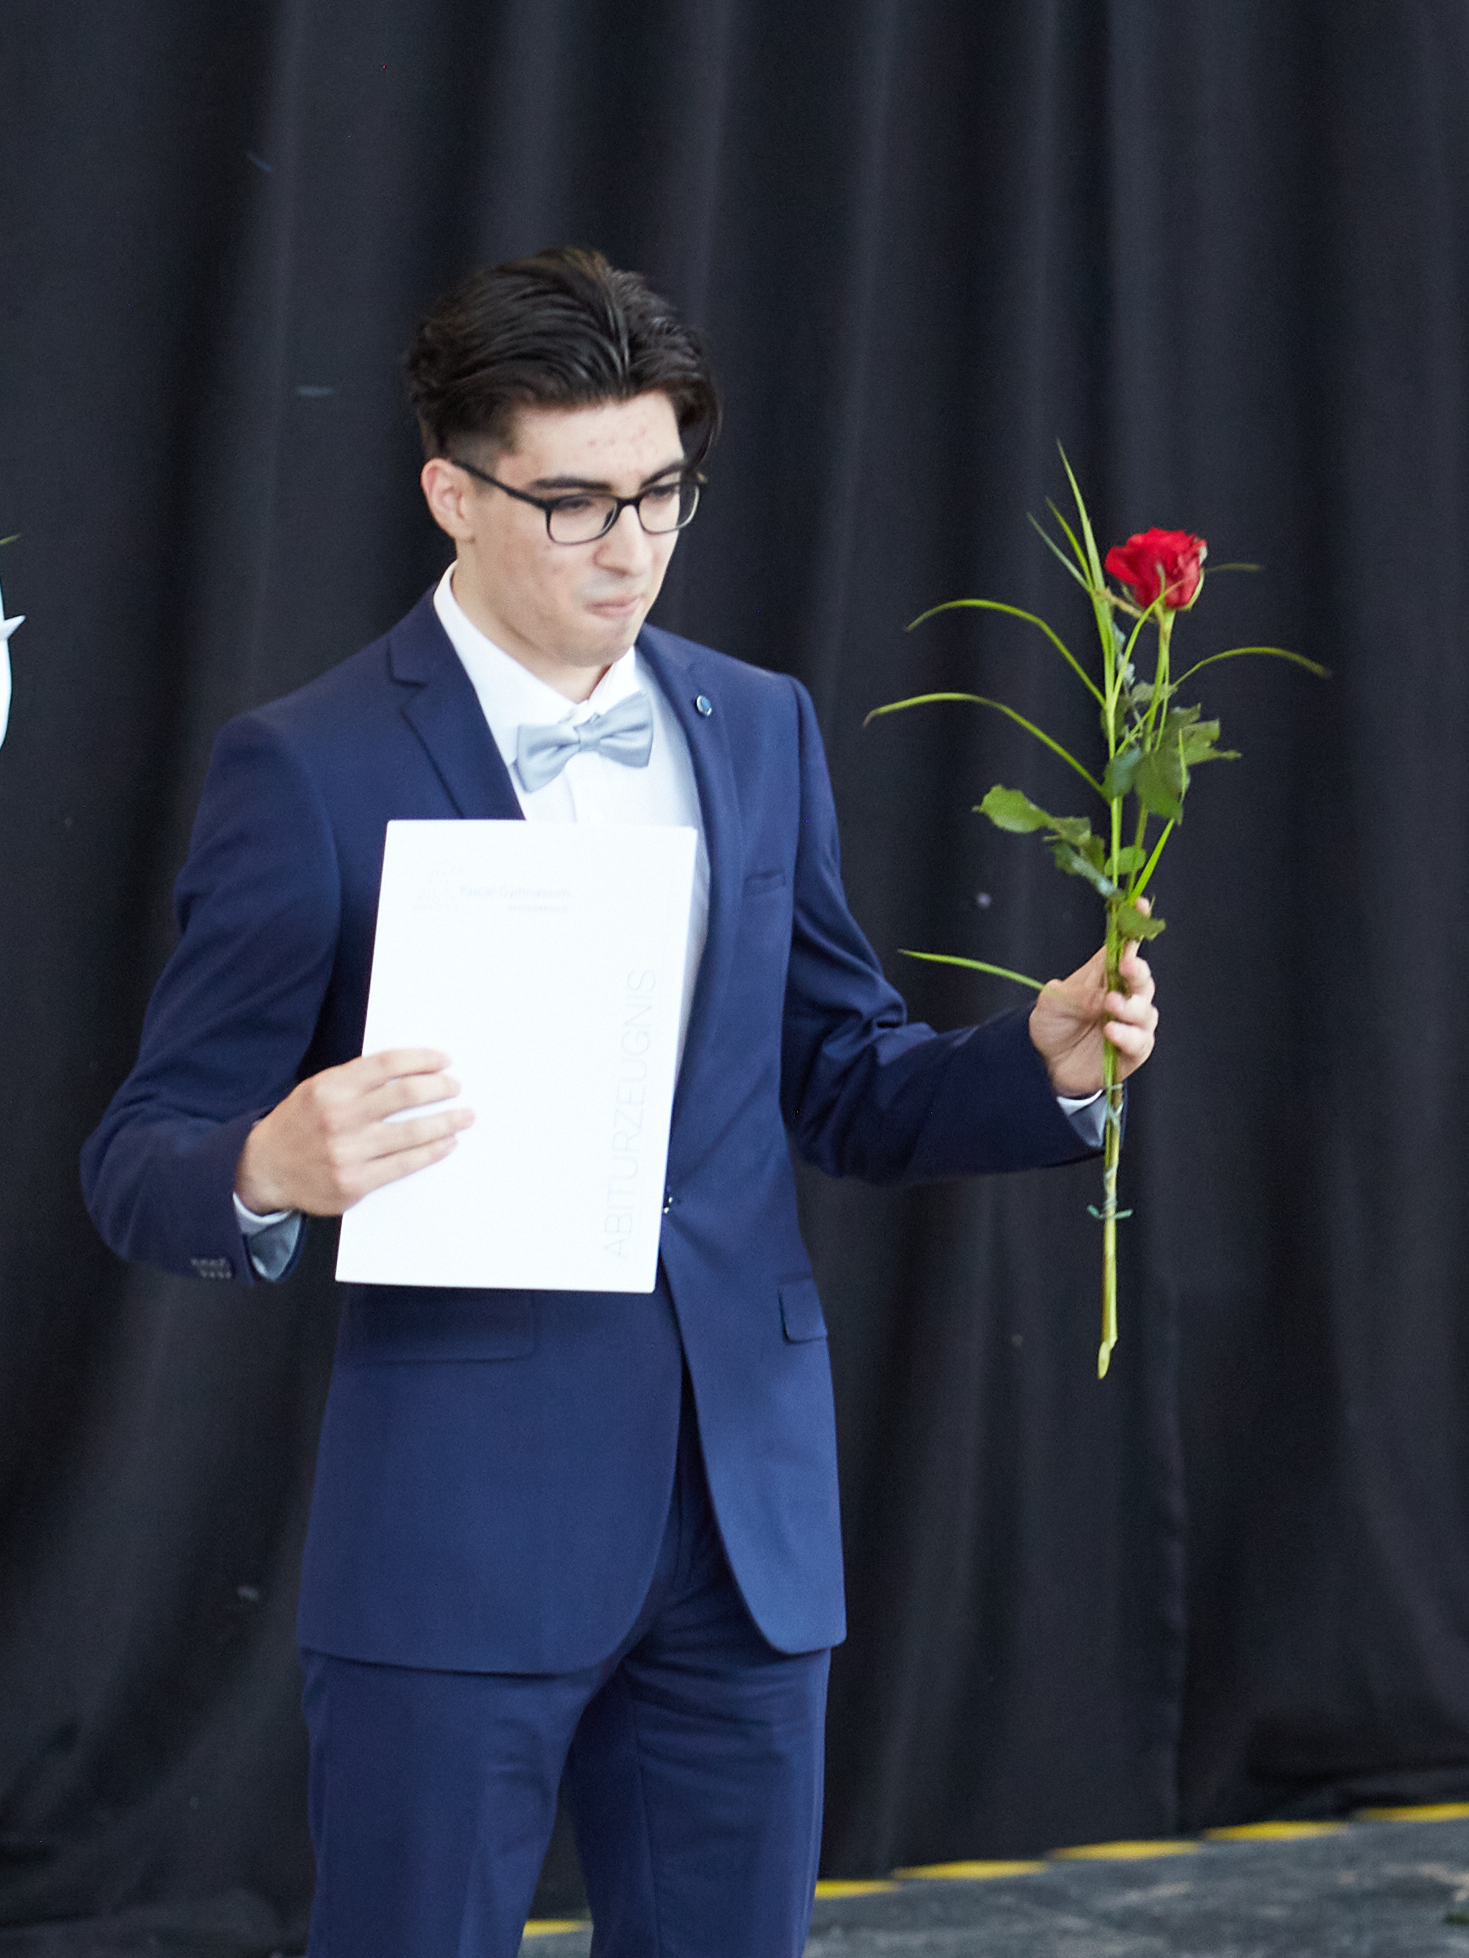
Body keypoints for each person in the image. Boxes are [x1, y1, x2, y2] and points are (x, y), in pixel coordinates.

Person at [82, 247, 1158, 1958]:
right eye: (574, 503)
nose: (631, 547)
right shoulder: (308, 765)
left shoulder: (758, 725)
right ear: (451, 494)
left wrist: (1030, 1066)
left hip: (745, 1519)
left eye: (661, 494)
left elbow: (839, 1078)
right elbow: (138, 1157)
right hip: (457, 1526)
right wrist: (267, 1164)